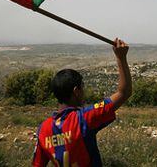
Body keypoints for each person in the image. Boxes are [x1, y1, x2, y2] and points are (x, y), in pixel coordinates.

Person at [33, 38, 132, 167]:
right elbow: (124, 93)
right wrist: (121, 57)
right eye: (82, 87)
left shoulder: (43, 129)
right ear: (76, 91)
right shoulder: (84, 118)